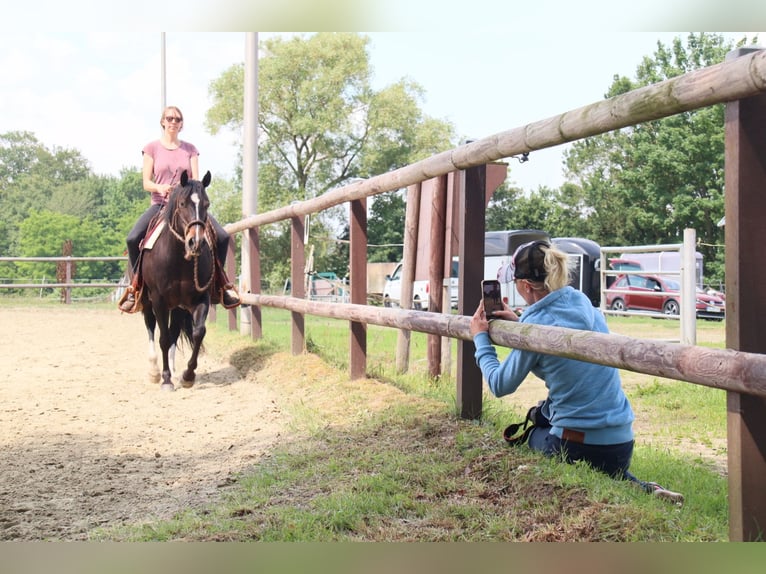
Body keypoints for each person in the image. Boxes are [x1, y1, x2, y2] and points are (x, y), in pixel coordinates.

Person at [469, 240, 683, 504]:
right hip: (621, 440)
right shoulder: (581, 302)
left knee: (534, 433)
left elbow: (500, 385)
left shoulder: (535, 328)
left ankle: (635, 486)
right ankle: (642, 488)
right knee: (598, 463)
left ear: (525, 285)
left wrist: (480, 338)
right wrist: (520, 322)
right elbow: (559, 347)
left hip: (576, 443)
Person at [119, 106, 240, 312]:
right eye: (169, 118)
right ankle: (136, 285)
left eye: (177, 119)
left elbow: (195, 180)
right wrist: (161, 187)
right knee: (132, 238)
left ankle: (221, 284)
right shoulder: (151, 148)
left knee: (222, 237)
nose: (173, 122)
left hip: (188, 207)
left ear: (181, 124)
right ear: (163, 122)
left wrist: (188, 193)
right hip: (160, 205)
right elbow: (146, 183)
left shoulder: (191, 149)